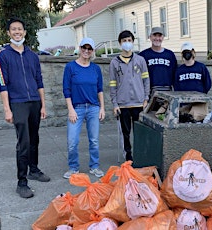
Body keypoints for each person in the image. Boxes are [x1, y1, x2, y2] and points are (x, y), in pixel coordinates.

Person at [0, 17, 50, 199]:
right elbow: (3, 84)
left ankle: (33, 169)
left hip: (34, 101)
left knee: (34, 139)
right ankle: (22, 182)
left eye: (20, 29)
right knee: (24, 142)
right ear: (9, 33)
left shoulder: (33, 56)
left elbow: (39, 81)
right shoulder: (3, 55)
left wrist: (43, 104)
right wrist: (7, 109)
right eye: (13, 29)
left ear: (25, 32)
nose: (17, 32)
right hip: (17, 103)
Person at [62, 37, 105, 179]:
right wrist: (70, 109)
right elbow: (66, 89)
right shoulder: (70, 67)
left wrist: (102, 108)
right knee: (72, 141)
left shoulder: (96, 69)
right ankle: (73, 167)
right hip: (77, 108)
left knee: (94, 140)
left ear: (93, 51)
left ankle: (94, 166)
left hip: (93, 108)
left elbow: (100, 90)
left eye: (89, 49)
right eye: (84, 48)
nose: (86, 51)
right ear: (79, 49)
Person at [109, 30, 150, 161]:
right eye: (124, 41)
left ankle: (141, 156)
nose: (127, 43)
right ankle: (128, 157)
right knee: (125, 134)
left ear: (133, 42)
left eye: (129, 41)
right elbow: (112, 84)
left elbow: (146, 80)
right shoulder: (114, 63)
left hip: (139, 103)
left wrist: (146, 98)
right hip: (123, 104)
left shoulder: (140, 60)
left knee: (140, 133)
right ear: (120, 43)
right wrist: (115, 104)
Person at [139, 27, 177, 96]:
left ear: (163, 37)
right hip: (150, 91)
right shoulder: (143, 55)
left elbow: (175, 73)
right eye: (154, 35)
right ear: (150, 37)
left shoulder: (170, 55)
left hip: (168, 91)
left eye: (159, 36)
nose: (157, 38)